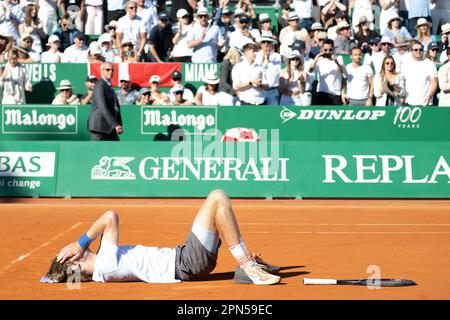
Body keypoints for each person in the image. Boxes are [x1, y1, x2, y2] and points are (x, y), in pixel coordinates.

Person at [42, 189, 281, 285]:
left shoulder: (102, 269)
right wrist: (80, 242)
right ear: (73, 260)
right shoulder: (104, 263)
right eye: (65, 252)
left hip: (186, 259)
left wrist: (63, 272)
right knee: (217, 197)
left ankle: (247, 263)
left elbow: (106, 224)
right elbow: (110, 216)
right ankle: (246, 265)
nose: (68, 247)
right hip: (187, 262)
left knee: (218, 210)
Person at [88, 62, 123, 141]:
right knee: (97, 152)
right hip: (99, 127)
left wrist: (118, 123)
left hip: (109, 127)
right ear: (101, 71)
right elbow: (103, 107)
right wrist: (115, 124)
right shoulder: (100, 85)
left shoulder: (108, 85)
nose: (110, 72)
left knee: (115, 151)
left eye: (112, 70)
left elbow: (115, 107)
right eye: (108, 70)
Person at [309, 38, 344, 105]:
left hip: (335, 92)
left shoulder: (339, 58)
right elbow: (310, 70)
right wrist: (316, 58)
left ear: (333, 48)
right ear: (322, 49)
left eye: (330, 50)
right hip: (322, 92)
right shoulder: (319, 60)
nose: (328, 52)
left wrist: (335, 61)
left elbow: (341, 71)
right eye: (325, 50)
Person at [402, 40, 438, 106]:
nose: (418, 51)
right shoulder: (406, 64)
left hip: (425, 103)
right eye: (415, 50)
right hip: (409, 102)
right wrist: (403, 97)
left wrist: (429, 97)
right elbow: (402, 82)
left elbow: (434, 83)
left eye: (420, 49)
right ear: (411, 51)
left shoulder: (430, 64)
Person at [255, 35, 281, 105]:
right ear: (260, 44)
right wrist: (264, 60)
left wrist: (268, 59)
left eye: (268, 42)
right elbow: (257, 71)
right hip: (259, 90)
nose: (266, 44)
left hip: (272, 90)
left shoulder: (277, 56)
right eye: (264, 42)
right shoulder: (256, 55)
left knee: (272, 114)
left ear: (272, 44)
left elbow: (276, 72)